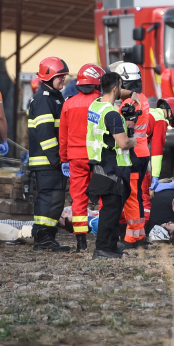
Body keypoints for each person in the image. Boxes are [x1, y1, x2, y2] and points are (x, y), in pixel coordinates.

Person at [87, 72, 137, 259]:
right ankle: (103, 248)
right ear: (116, 88)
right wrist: (133, 140)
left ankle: (110, 245)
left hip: (100, 163)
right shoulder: (112, 114)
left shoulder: (96, 105)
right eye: (121, 87)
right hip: (112, 166)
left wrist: (131, 94)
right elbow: (123, 143)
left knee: (112, 208)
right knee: (111, 209)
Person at [27, 57, 71, 252]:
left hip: (50, 161)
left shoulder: (53, 97)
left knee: (54, 200)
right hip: (48, 162)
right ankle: (44, 239)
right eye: (59, 77)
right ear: (49, 76)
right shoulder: (44, 100)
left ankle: (46, 237)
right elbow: (45, 134)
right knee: (50, 200)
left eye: (63, 76)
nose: (63, 80)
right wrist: (56, 159)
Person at [59, 63, 105, 251]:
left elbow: (63, 135)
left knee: (78, 199)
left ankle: (81, 241)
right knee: (104, 196)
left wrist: (64, 158)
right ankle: (104, 236)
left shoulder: (68, 103)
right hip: (98, 157)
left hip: (75, 158)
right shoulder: (101, 102)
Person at [116, 62, 153, 248]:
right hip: (142, 152)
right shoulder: (142, 98)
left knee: (131, 197)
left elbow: (124, 128)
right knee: (136, 195)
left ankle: (132, 238)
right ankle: (140, 236)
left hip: (132, 154)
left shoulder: (129, 102)